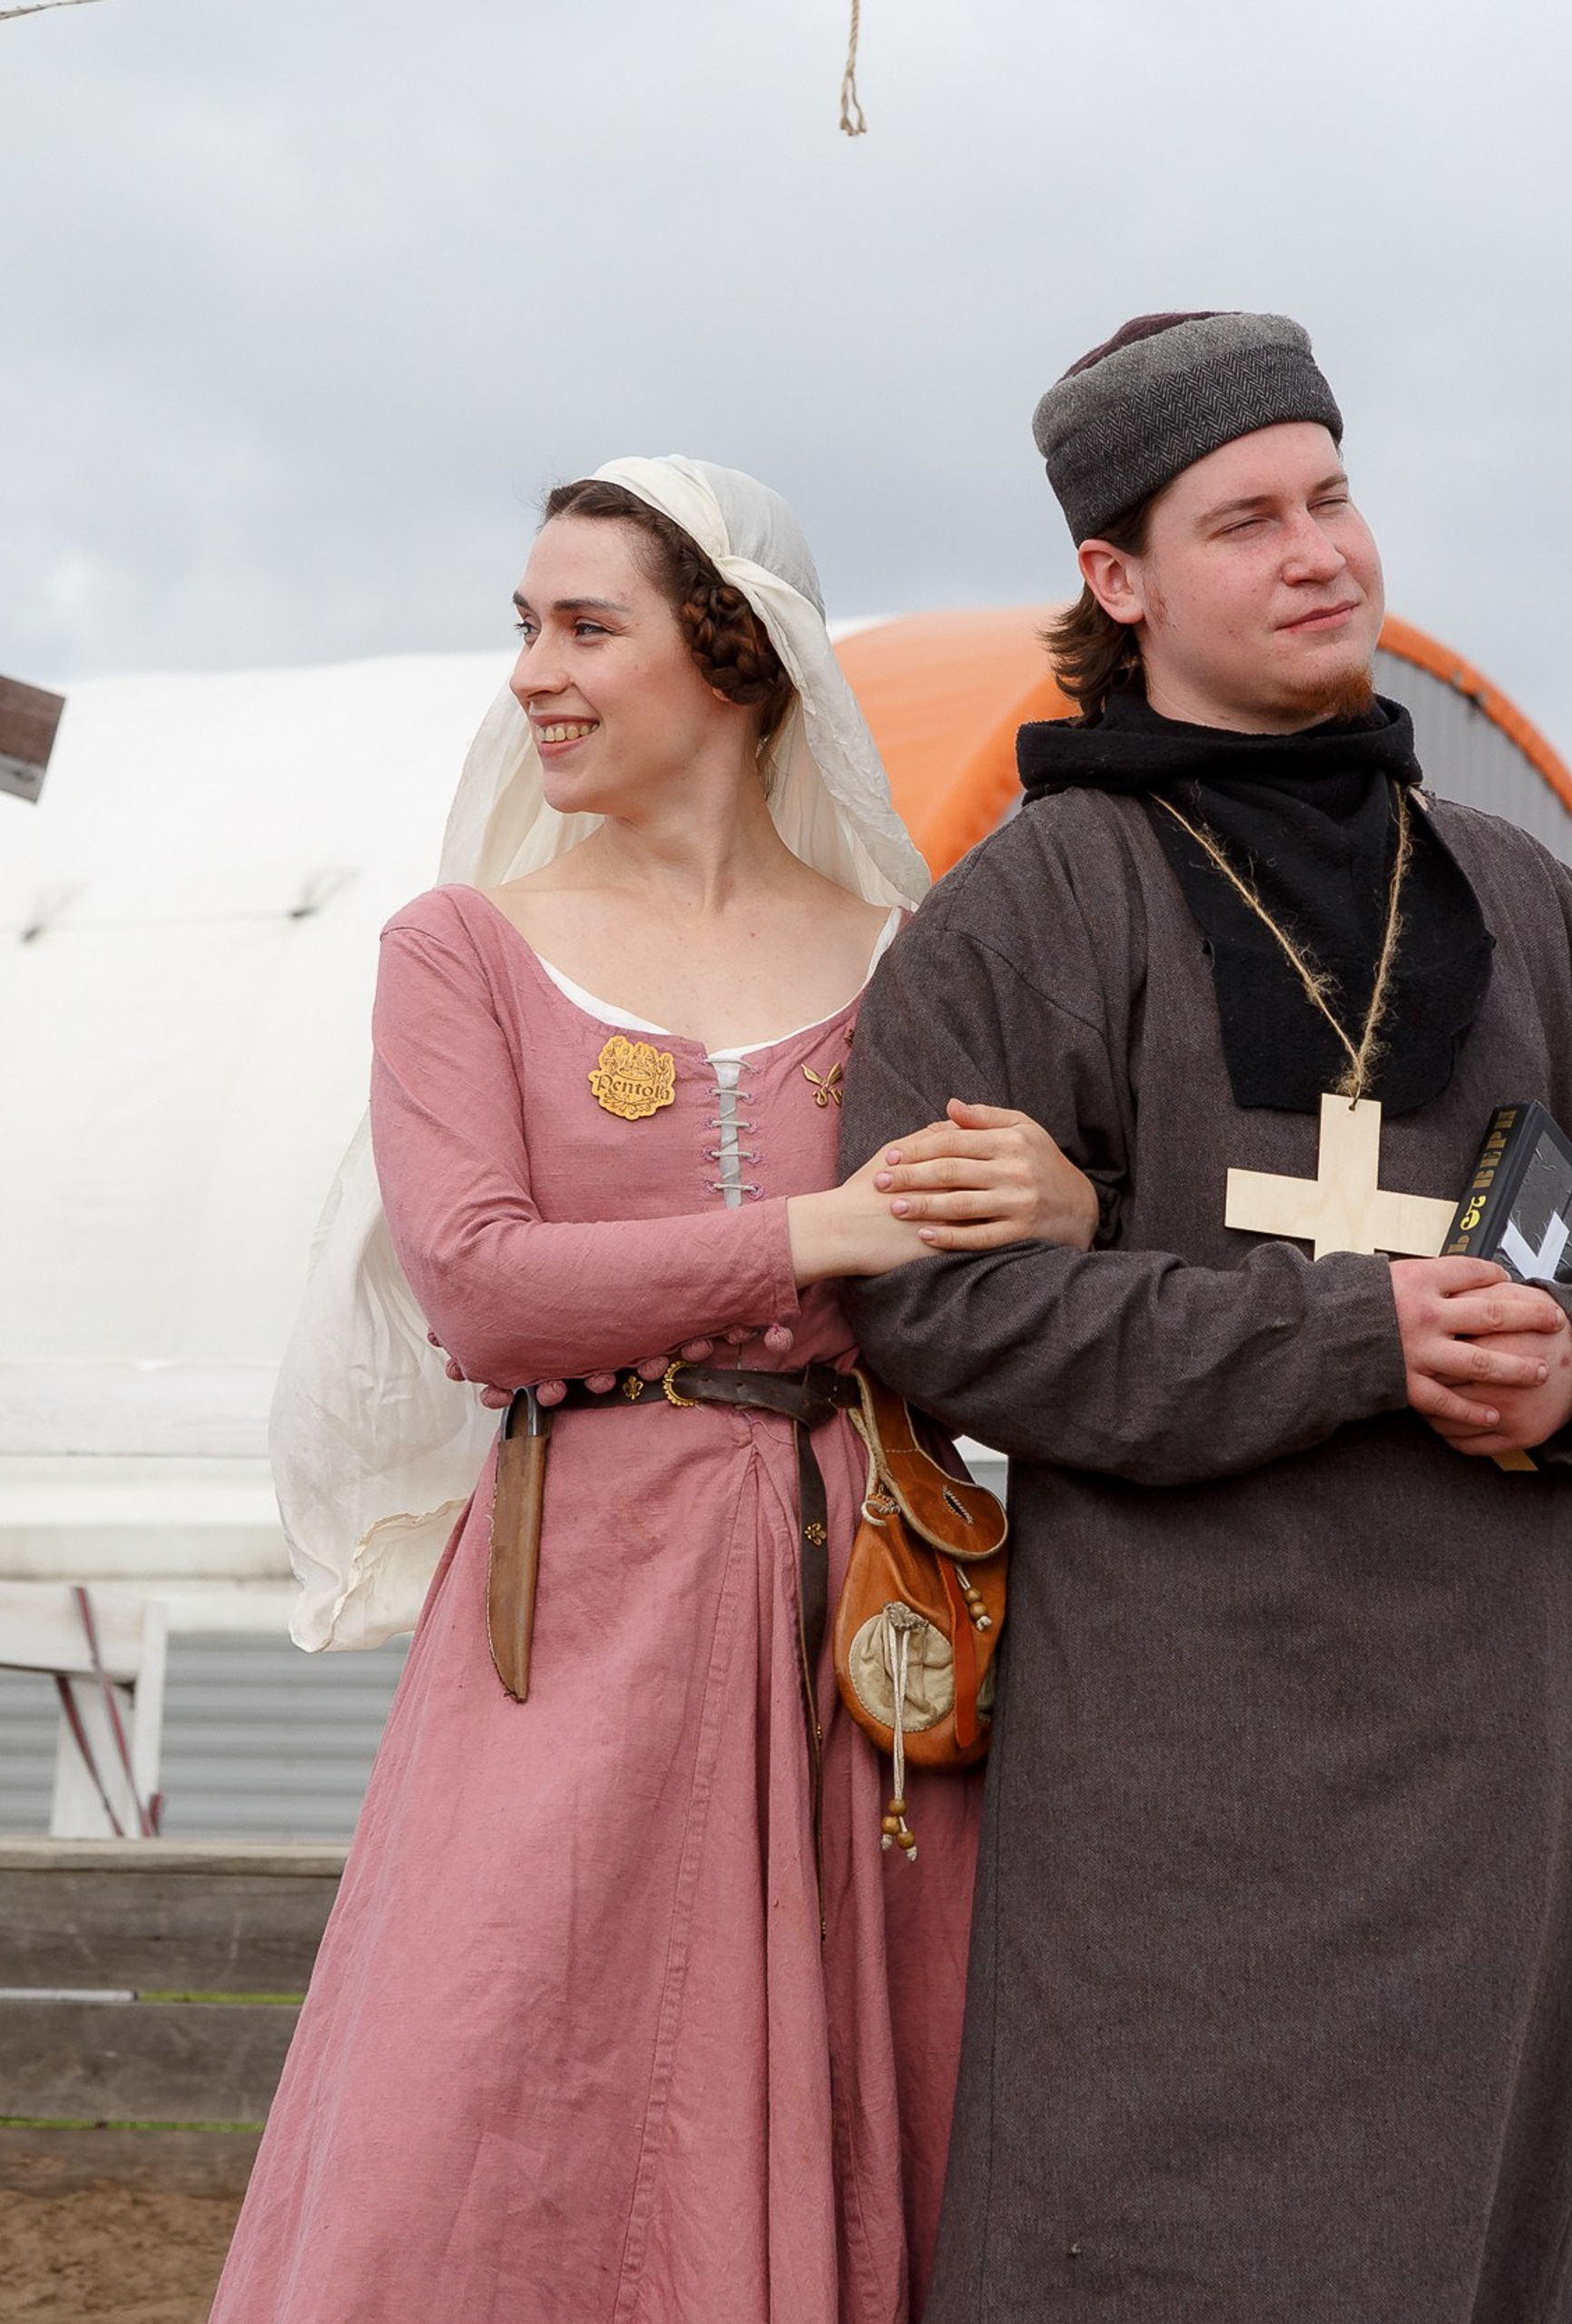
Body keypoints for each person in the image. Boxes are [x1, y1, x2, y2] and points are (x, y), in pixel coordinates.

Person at [837, 316, 1572, 2322]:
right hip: (1176, 1738)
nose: (1318, 550)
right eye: (1243, 517)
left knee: (1464, 2240)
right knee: (1149, 2230)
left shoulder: (1519, 900)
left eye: (1330, 495)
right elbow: (937, 1305)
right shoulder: (1028, 907)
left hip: (1489, 1720)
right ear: (1117, 578)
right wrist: (1353, 1337)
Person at [215, 457, 1098, 2324]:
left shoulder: (901, 956)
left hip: (861, 1606)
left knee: (887, 2079)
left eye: (584, 625)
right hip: (582, 1597)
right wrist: (819, 1228)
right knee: (497, 2079)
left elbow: (1005, 1245)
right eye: (521, 626)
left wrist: (1067, 1197)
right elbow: (482, 1285)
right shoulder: (460, 947)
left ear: (735, 652)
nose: (532, 670)